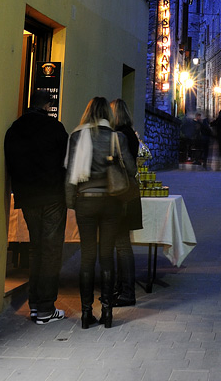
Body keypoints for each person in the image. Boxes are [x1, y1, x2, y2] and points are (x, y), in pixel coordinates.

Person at [65, 96, 136, 329]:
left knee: (87, 257)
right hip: (111, 203)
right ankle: (107, 312)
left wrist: (71, 203)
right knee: (106, 256)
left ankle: (86, 314)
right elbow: (132, 169)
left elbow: (69, 174)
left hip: (85, 200)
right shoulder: (118, 138)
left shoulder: (77, 136)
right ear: (107, 113)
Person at [4, 90, 69, 325]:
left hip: (27, 197)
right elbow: (67, 160)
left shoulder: (14, 129)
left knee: (36, 248)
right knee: (51, 250)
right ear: (48, 105)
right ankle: (45, 308)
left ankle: (34, 305)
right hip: (52, 196)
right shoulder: (55, 128)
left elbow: (11, 162)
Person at [109, 98, 142, 307]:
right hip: (130, 192)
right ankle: (122, 288)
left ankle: (127, 291)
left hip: (122, 193)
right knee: (123, 243)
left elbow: (127, 166)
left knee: (121, 244)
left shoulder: (119, 135)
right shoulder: (131, 134)